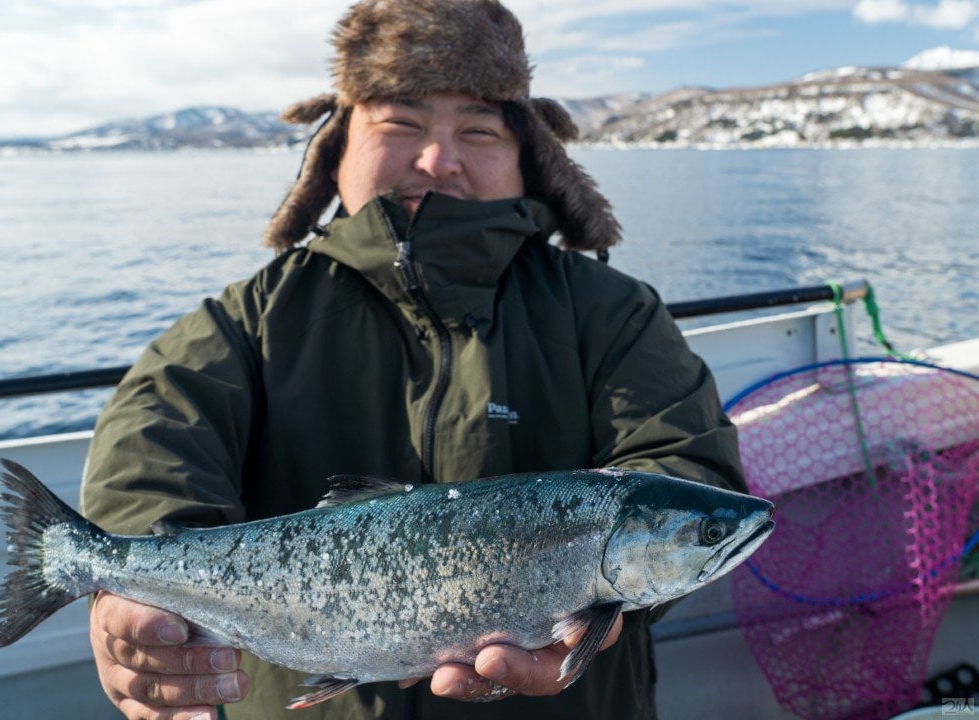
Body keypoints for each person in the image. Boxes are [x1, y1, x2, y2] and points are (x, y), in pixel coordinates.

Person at [79, 1, 746, 718]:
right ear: (336, 148)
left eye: (478, 129)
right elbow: (150, 445)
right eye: (400, 123)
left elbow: (682, 467)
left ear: (530, 157)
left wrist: (600, 621)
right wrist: (136, 597)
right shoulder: (250, 322)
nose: (439, 159)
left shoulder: (614, 315)